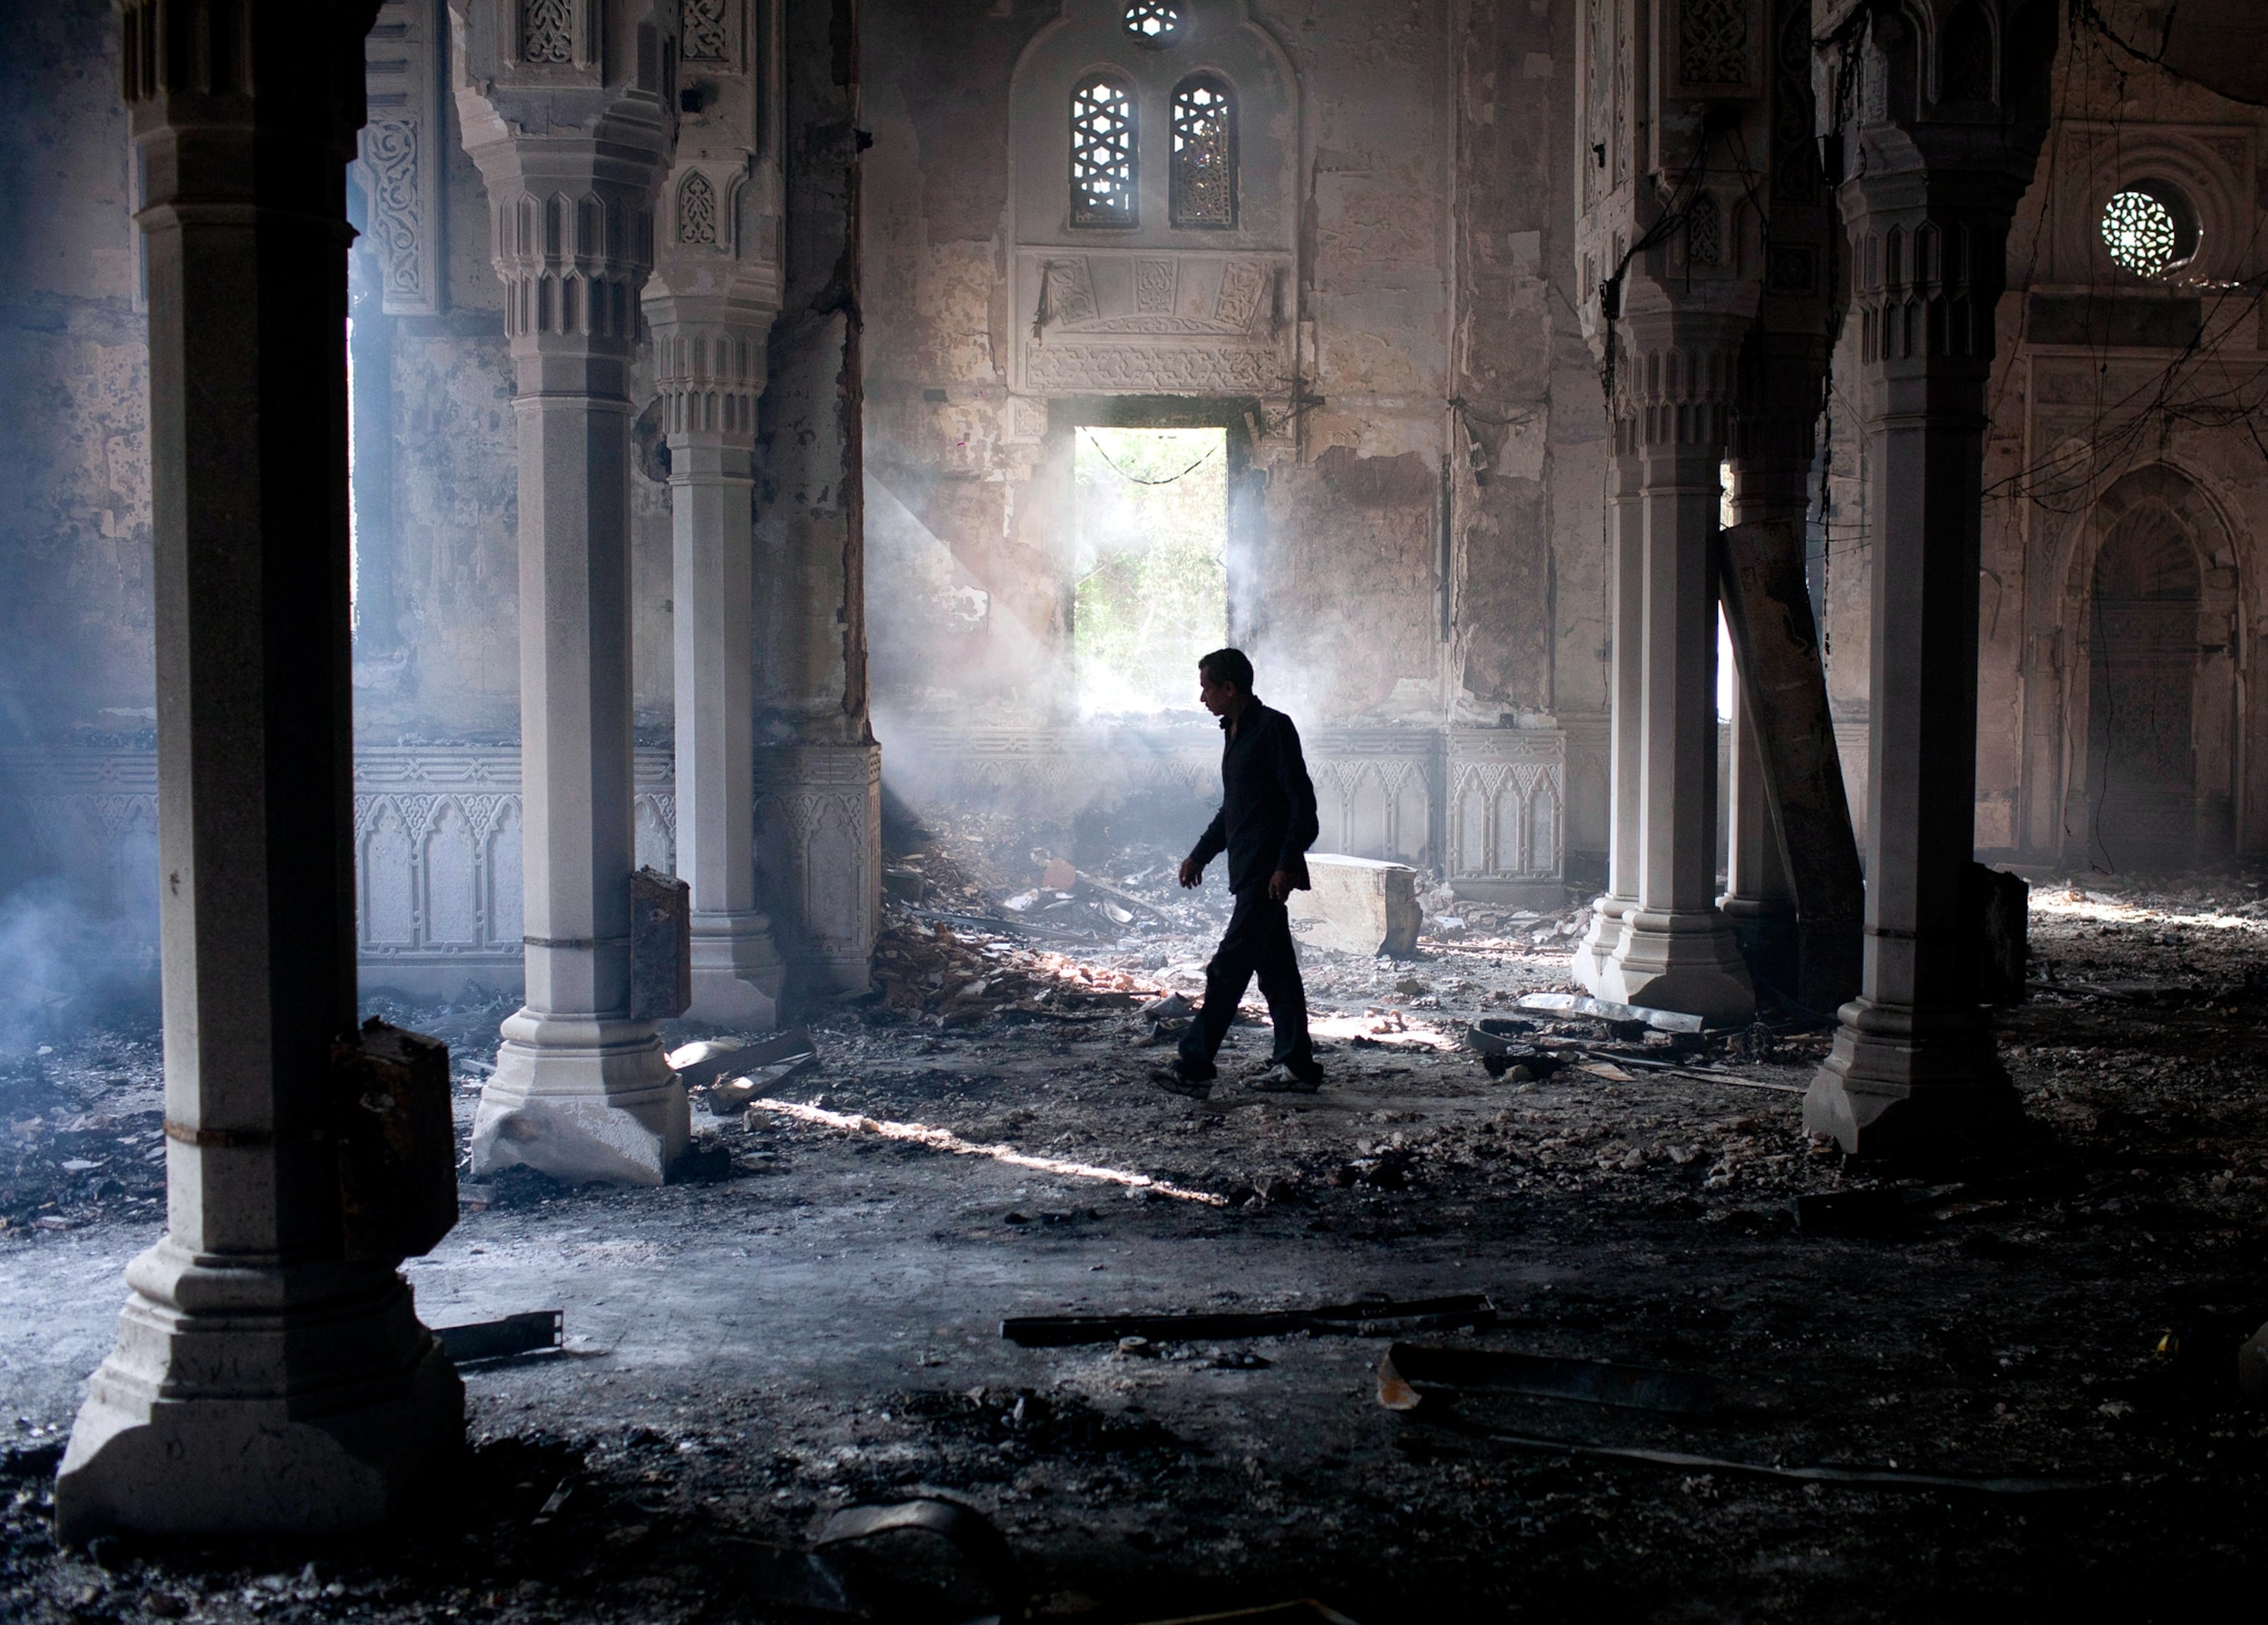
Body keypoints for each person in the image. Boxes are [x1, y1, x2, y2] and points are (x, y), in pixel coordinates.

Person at [1152, 648, 1324, 1099]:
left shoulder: (1273, 729)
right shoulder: (1235, 731)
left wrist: (1286, 864)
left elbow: (1302, 806)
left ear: (1231, 688)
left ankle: (1194, 1066)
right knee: (1277, 974)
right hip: (1248, 869)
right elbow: (1235, 810)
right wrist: (1200, 855)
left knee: (1227, 969)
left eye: (1208, 686)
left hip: (1265, 876)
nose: (1202, 695)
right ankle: (1296, 1065)